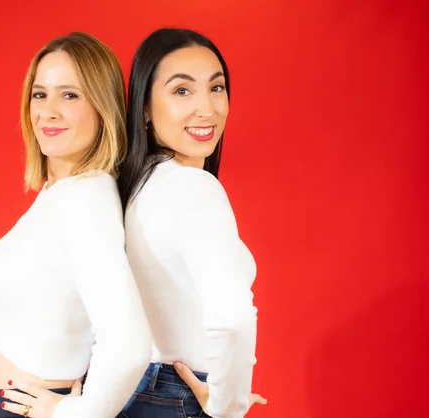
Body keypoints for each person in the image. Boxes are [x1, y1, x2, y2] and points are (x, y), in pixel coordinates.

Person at [0, 32, 151, 418]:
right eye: (40, 94)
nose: (48, 111)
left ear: (102, 105)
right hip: (13, 405)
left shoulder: (85, 200)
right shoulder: (65, 191)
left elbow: (128, 343)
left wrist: (75, 413)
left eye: (69, 95)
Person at [117, 28, 266, 418]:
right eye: (182, 91)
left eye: (216, 88)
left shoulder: (137, 183)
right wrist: (227, 403)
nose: (208, 108)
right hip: (175, 396)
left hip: (133, 392)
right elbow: (232, 319)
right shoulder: (194, 188)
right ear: (145, 108)